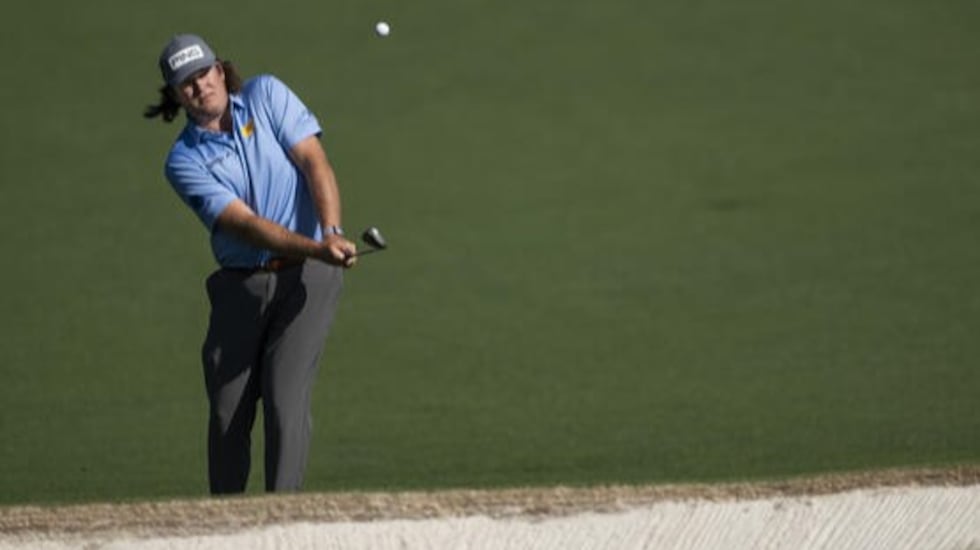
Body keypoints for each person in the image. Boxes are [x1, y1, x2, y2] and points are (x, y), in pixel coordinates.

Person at [145, 34, 357, 494]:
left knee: (284, 398)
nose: (201, 88)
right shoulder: (183, 161)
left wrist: (332, 234)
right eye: (187, 84)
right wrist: (316, 246)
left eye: (204, 74)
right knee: (227, 411)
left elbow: (314, 162)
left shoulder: (267, 95)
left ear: (220, 71)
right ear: (176, 95)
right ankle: (227, 527)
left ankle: (279, 521)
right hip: (241, 286)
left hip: (308, 280)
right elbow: (244, 225)